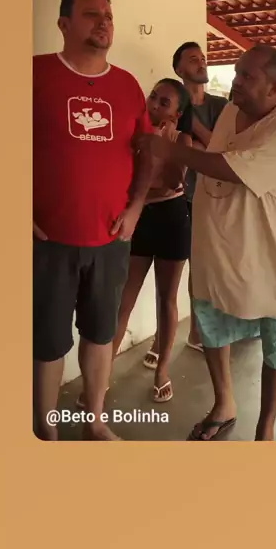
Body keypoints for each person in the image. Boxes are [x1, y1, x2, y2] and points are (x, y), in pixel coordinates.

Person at [143, 44, 276, 441]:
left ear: (275, 89)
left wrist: (167, 148)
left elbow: (229, 167)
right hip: (218, 245)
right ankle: (224, 404)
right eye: (236, 73)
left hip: (271, 253)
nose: (236, 81)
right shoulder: (232, 110)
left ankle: (265, 426)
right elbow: (214, 151)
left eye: (247, 76)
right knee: (212, 324)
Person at [33, 0, 153, 441]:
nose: (104, 21)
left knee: (101, 335)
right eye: (91, 14)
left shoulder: (127, 85)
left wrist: (137, 206)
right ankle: (46, 433)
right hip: (49, 242)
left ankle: (94, 420)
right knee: (47, 343)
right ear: (64, 24)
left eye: (108, 15)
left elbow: (146, 153)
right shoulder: (34, 74)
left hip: (110, 239)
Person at [77, 78, 193, 406]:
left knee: (166, 299)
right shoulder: (132, 132)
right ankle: (102, 377)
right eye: (153, 96)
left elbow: (174, 182)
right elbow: (125, 180)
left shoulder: (181, 139)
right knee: (122, 301)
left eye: (164, 102)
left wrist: (162, 146)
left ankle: (162, 371)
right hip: (138, 219)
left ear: (177, 113)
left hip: (171, 219)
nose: (154, 104)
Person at [142, 42, 227, 369]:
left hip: (210, 197)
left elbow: (222, 149)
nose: (202, 63)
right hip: (175, 199)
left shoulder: (220, 106)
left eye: (203, 58)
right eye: (193, 59)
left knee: (201, 269)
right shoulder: (166, 105)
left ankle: (195, 332)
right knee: (167, 280)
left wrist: (189, 121)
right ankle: (160, 339)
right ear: (179, 69)